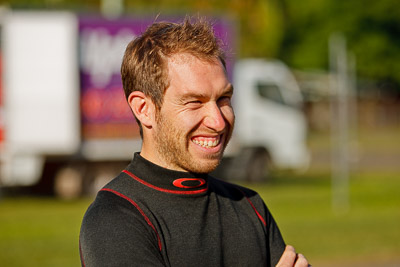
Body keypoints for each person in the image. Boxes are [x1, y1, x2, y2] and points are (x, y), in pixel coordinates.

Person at [79, 17, 309, 267]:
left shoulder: (250, 208)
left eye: (223, 99)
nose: (218, 122)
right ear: (144, 109)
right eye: (194, 102)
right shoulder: (116, 218)